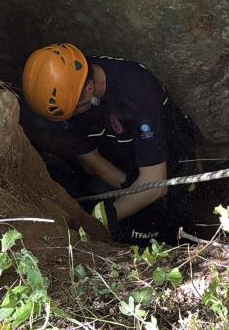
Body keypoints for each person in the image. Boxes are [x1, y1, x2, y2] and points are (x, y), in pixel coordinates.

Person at [21, 43, 197, 245]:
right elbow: (91, 162)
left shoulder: (137, 91)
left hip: (167, 165)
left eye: (74, 110)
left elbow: (155, 184)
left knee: (158, 237)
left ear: (88, 89)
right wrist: (128, 186)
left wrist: (103, 219)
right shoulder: (70, 85)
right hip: (125, 162)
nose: (69, 118)